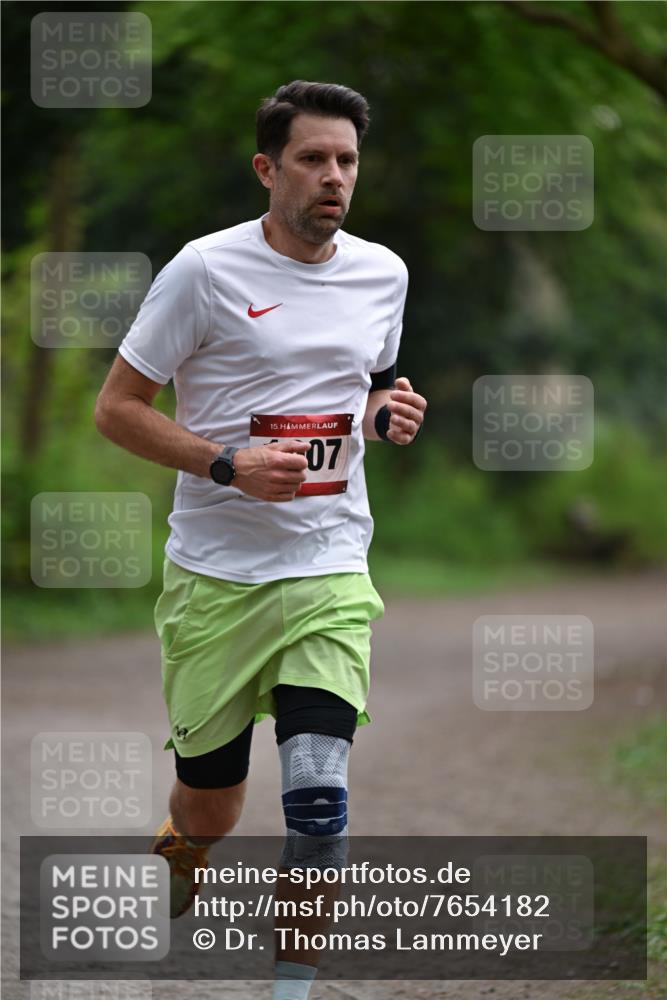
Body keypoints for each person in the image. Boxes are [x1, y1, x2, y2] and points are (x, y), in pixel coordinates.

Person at [95, 79, 427, 999]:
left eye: (347, 161)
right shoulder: (203, 272)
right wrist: (222, 465)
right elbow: (116, 409)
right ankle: (179, 858)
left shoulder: (383, 273)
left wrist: (384, 414)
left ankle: (290, 984)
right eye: (313, 159)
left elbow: (372, 385)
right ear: (265, 169)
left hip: (327, 565)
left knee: (319, 802)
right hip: (216, 575)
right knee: (210, 803)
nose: (334, 177)